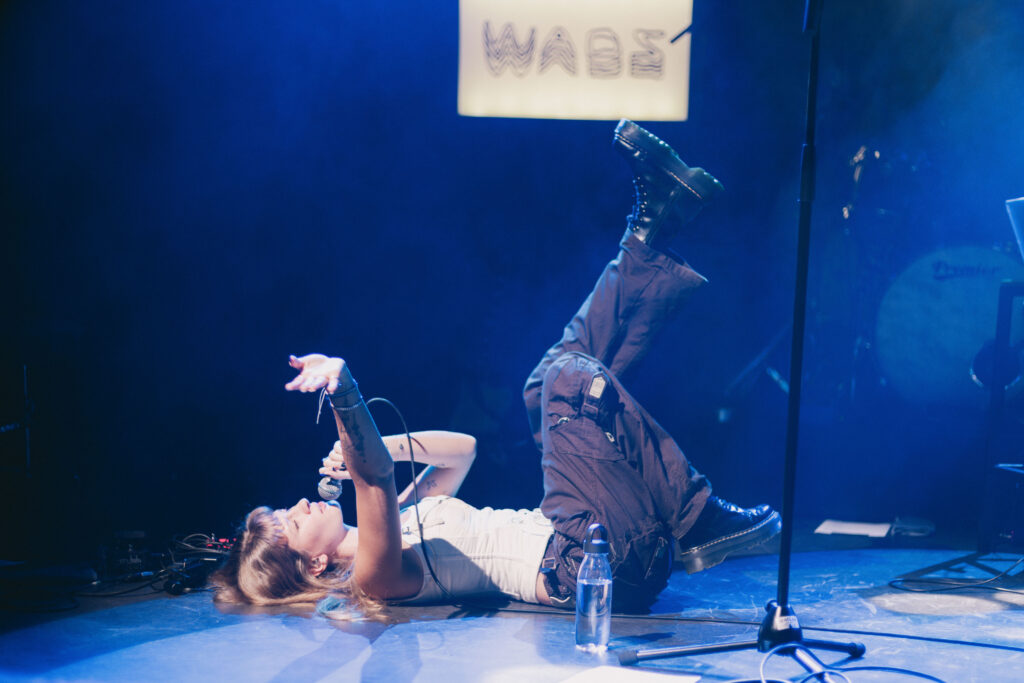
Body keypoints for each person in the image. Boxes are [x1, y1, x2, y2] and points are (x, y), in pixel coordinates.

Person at [210, 120, 781, 615]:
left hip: (592, 536)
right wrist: (344, 392)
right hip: (588, 566)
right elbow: (373, 479)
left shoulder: (405, 518)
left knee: (544, 381)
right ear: (313, 564)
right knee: (565, 380)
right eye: (293, 521)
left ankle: (653, 228)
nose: (300, 504)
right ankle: (699, 518)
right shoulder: (377, 576)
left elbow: (461, 451)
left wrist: (385, 442)